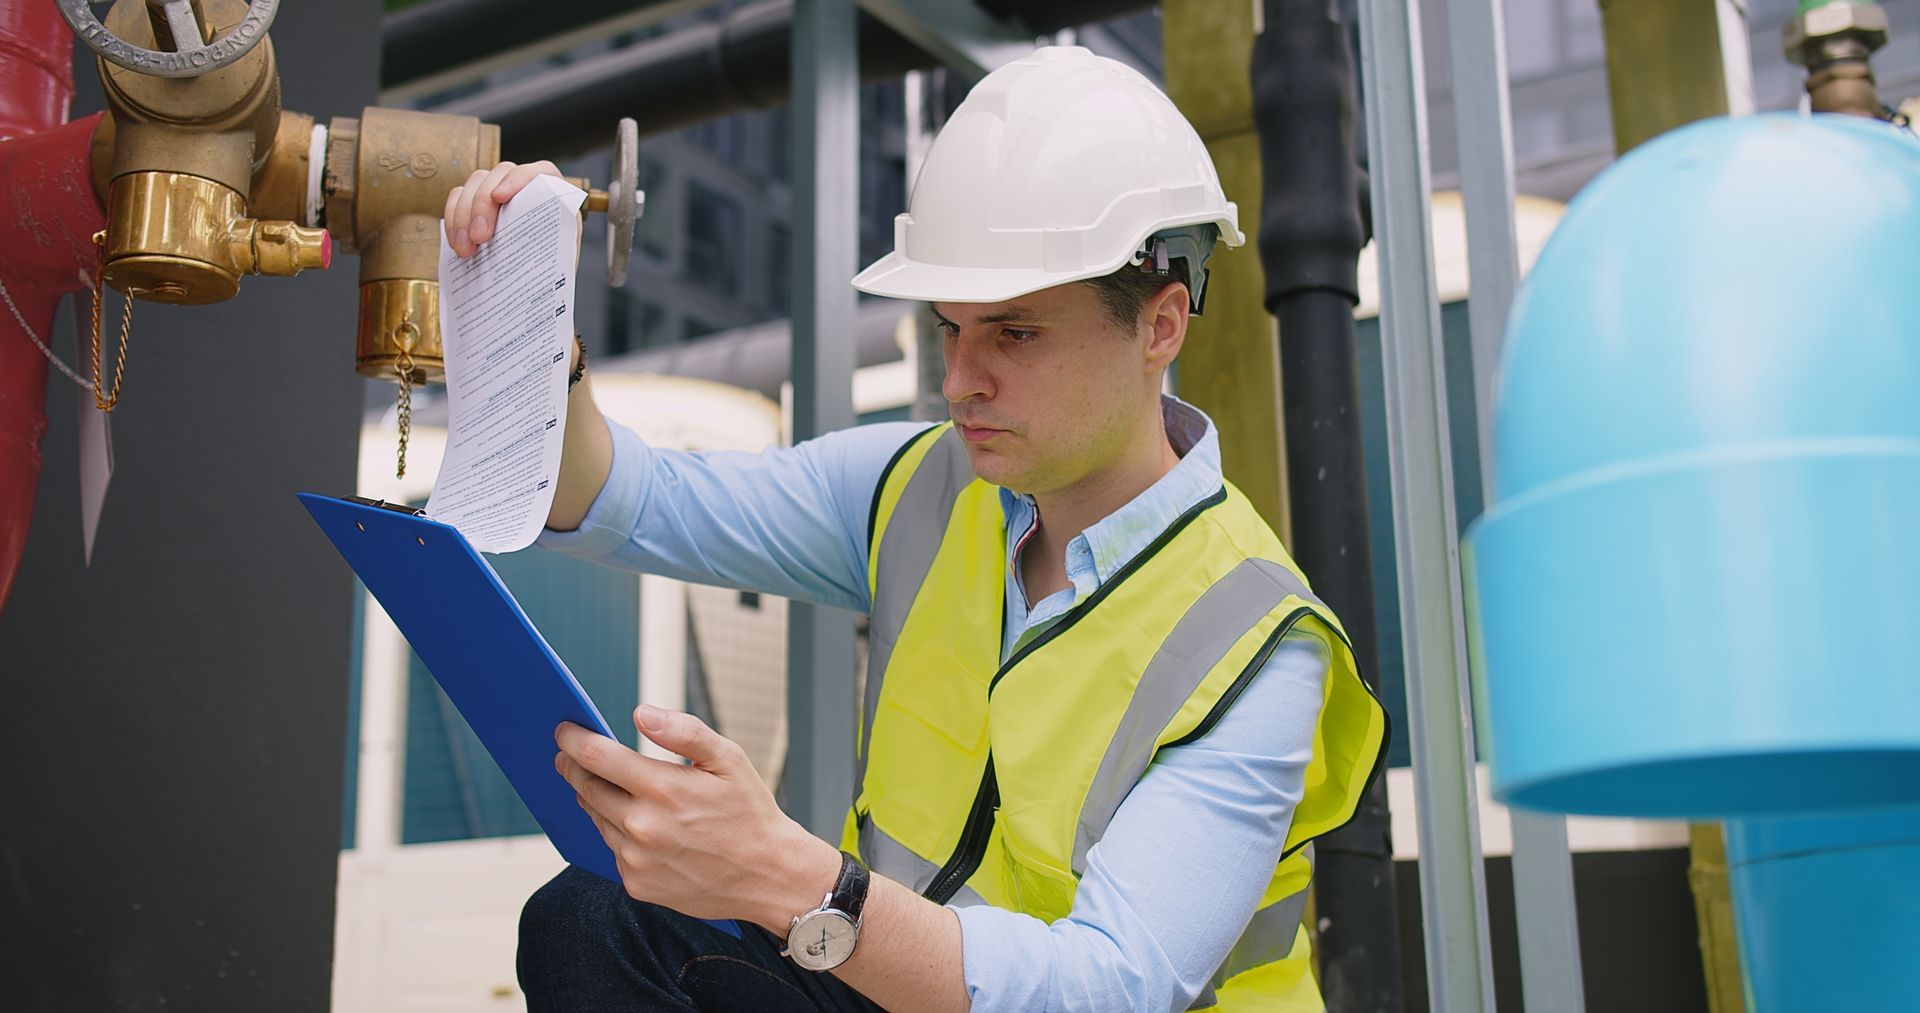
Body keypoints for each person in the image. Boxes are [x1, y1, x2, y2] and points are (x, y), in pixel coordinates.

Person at [442, 46, 1385, 1012]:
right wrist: (537, 332)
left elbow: (1109, 987)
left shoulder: (1256, 641)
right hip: (900, 983)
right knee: (597, 913)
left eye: (1015, 333)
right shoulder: (925, 487)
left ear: (1161, 325)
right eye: (950, 327)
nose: (960, 380)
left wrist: (790, 877)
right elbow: (628, 502)